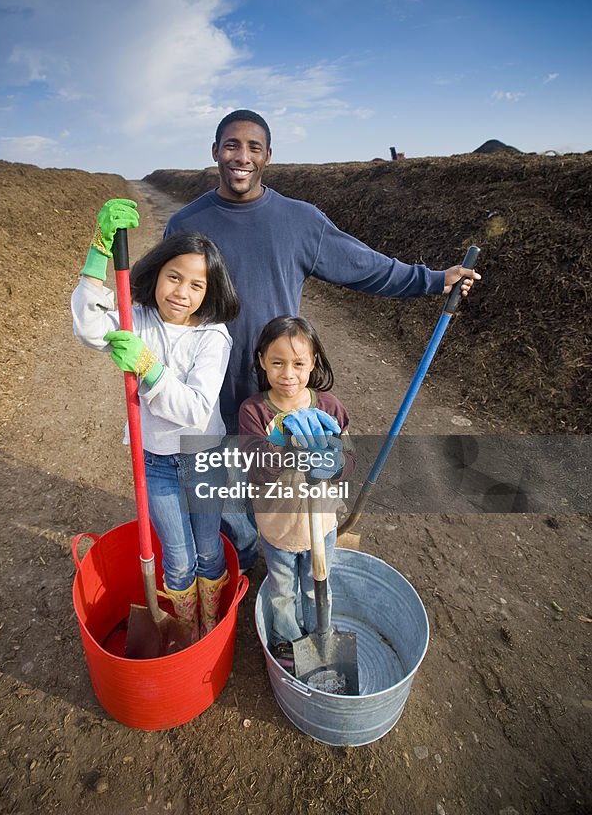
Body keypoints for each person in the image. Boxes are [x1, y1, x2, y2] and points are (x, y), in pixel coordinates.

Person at [165, 109, 481, 568]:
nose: (242, 157)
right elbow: (163, 297)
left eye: (254, 147)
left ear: (268, 156)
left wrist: (432, 280)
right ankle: (250, 558)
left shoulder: (299, 221)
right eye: (232, 145)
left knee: (281, 478)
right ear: (215, 151)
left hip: (277, 385)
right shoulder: (186, 223)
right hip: (206, 386)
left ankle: (281, 551)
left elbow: (365, 266)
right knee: (227, 487)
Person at [71, 198, 240, 642]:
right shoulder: (137, 318)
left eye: (196, 286)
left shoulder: (212, 336)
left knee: (208, 550)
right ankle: (186, 631)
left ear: (210, 292)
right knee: (179, 558)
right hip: (156, 462)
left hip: (203, 457)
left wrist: (148, 367)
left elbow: (193, 409)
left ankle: (210, 623)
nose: (182, 293)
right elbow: (89, 328)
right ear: (157, 274)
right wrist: (98, 251)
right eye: (174, 277)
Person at [238, 315, 355, 670]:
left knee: (316, 585)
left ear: (313, 362)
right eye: (277, 363)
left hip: (321, 525)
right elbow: (255, 469)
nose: (288, 374)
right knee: (283, 588)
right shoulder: (254, 411)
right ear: (261, 361)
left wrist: (333, 463)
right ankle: (287, 640)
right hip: (277, 526)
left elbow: (349, 463)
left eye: (299, 364)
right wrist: (280, 438)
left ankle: (323, 633)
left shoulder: (329, 408)